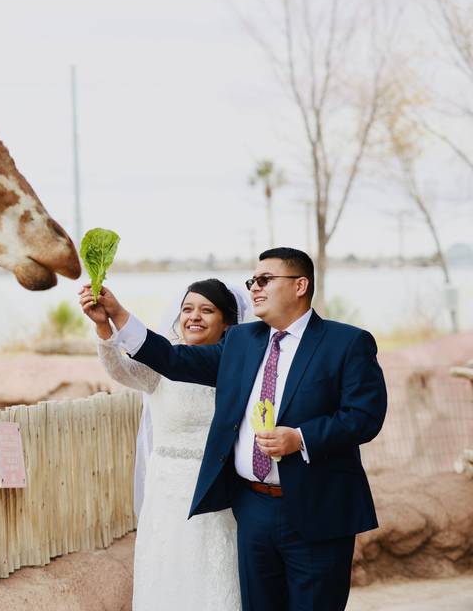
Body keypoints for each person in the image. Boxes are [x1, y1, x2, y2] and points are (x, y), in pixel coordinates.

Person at [84, 247, 387, 611]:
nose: (254, 288)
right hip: (253, 509)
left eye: (265, 280)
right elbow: (172, 359)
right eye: (252, 281)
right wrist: (116, 315)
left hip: (317, 507)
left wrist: (301, 438)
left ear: (300, 285)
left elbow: (364, 415)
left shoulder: (347, 342)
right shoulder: (242, 342)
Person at [83, 278, 247, 609]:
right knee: (167, 573)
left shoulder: (236, 368)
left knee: (214, 573)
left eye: (207, 310)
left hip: (216, 490)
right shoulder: (160, 367)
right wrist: (104, 327)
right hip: (166, 493)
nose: (194, 317)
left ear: (227, 322)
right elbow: (119, 369)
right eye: (187, 309)